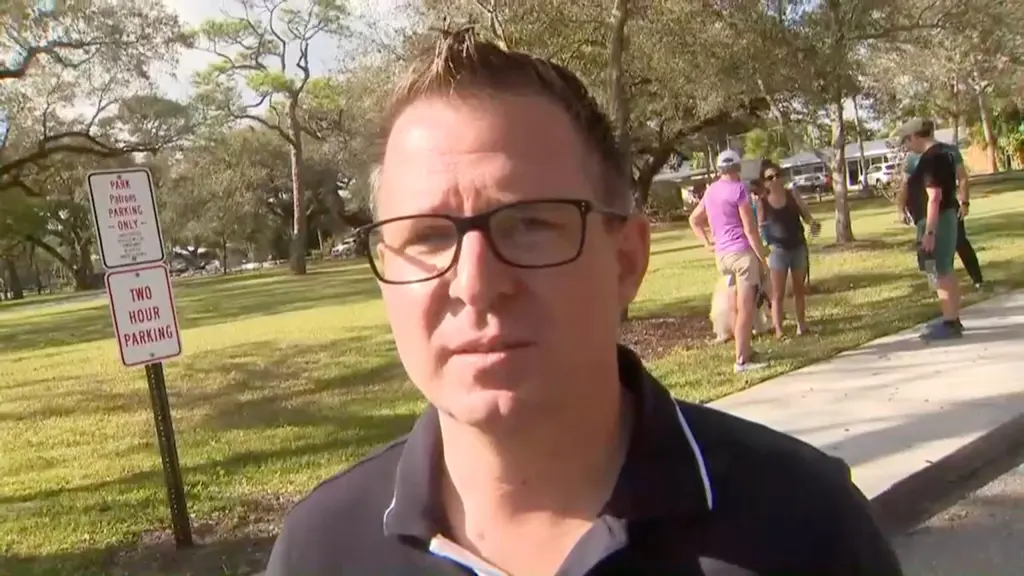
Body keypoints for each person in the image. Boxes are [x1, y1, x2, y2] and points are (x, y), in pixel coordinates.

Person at [265, 28, 903, 576]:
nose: (475, 283)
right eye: (427, 237)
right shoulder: (320, 552)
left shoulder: (806, 529)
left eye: (531, 224)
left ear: (626, 261)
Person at [689, 150, 769, 373]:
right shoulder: (739, 189)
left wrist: (707, 242)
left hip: (722, 256)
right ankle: (742, 361)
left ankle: (744, 350)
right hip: (741, 255)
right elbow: (749, 229)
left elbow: (694, 220)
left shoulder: (711, 191)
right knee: (745, 309)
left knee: (734, 306)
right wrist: (762, 257)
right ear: (738, 167)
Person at [894, 118, 963, 340]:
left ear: (915, 136)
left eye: (906, 140)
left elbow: (934, 197)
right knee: (945, 269)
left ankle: (950, 323)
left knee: (940, 271)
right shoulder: (942, 154)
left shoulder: (931, 159)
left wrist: (930, 232)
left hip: (936, 220)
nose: (907, 146)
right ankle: (952, 318)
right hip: (942, 218)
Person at [902, 140, 984, 290]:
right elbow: (905, 185)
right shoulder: (912, 157)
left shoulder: (949, 151)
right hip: (924, 211)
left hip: (947, 207)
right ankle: (935, 286)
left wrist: (965, 202)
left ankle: (977, 280)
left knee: (960, 242)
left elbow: (962, 177)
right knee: (927, 251)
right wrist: (901, 208)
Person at [757, 160, 821, 338]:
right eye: (770, 177)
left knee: (799, 289)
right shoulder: (762, 202)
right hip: (777, 251)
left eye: (778, 175)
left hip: (797, 246)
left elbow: (806, 216)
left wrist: (813, 224)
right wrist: (763, 246)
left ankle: (802, 326)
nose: (775, 180)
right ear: (765, 182)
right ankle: (779, 330)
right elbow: (760, 226)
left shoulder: (792, 195)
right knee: (778, 293)